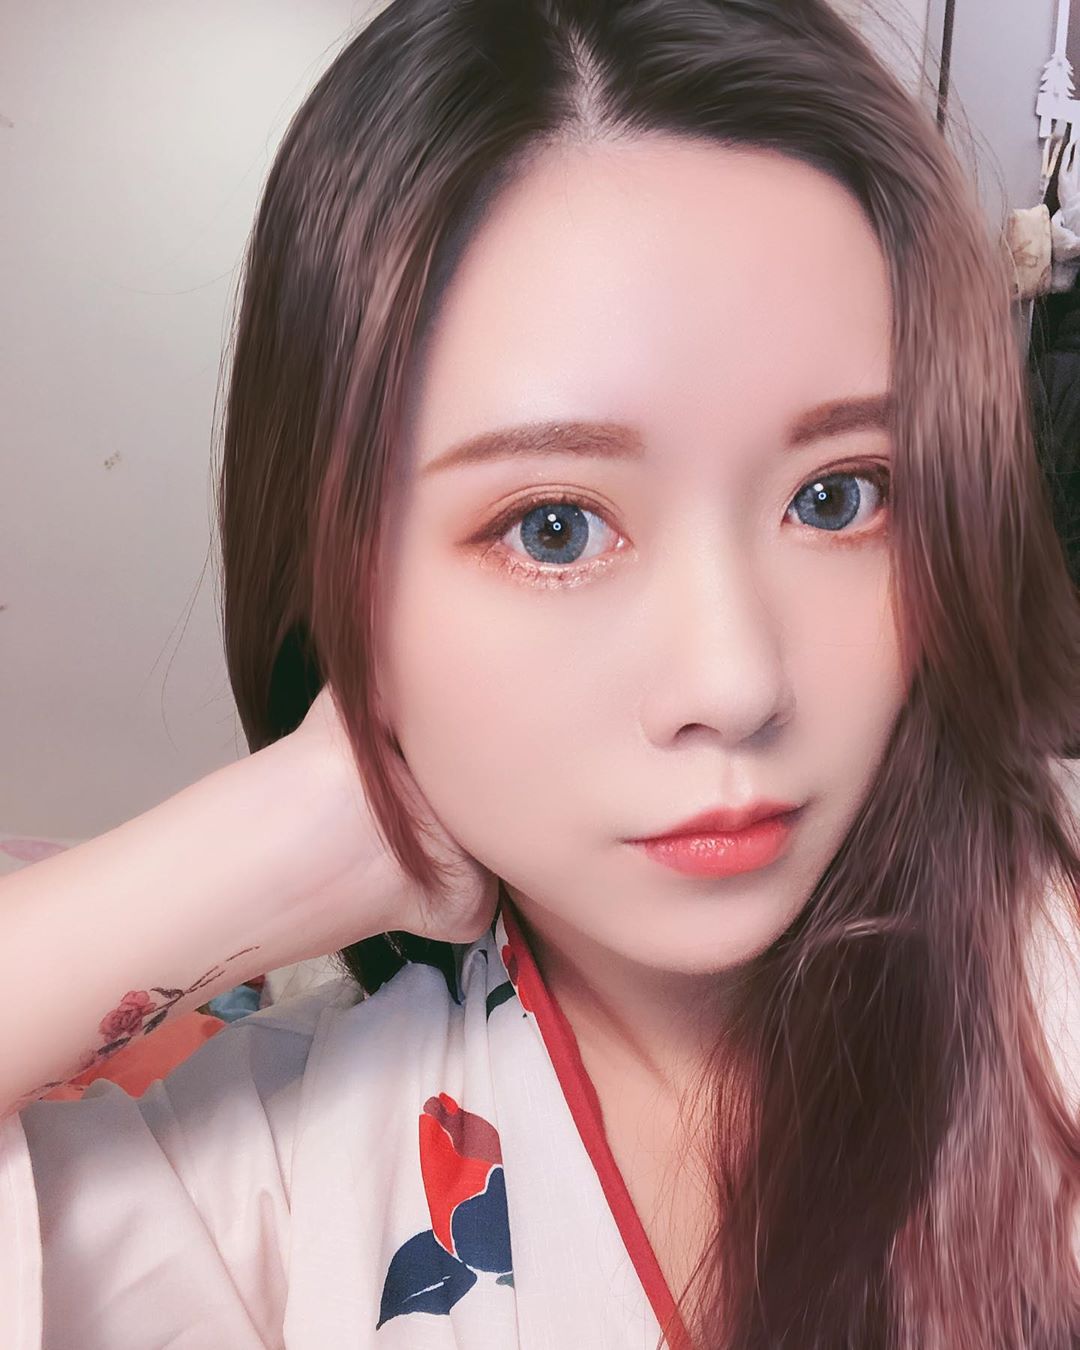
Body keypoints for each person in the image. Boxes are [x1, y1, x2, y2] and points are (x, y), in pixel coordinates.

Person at [2, 0, 1079, 1346]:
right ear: (339, 584)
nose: (736, 683)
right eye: (554, 527)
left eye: (838, 496)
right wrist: (287, 828)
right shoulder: (266, 1188)